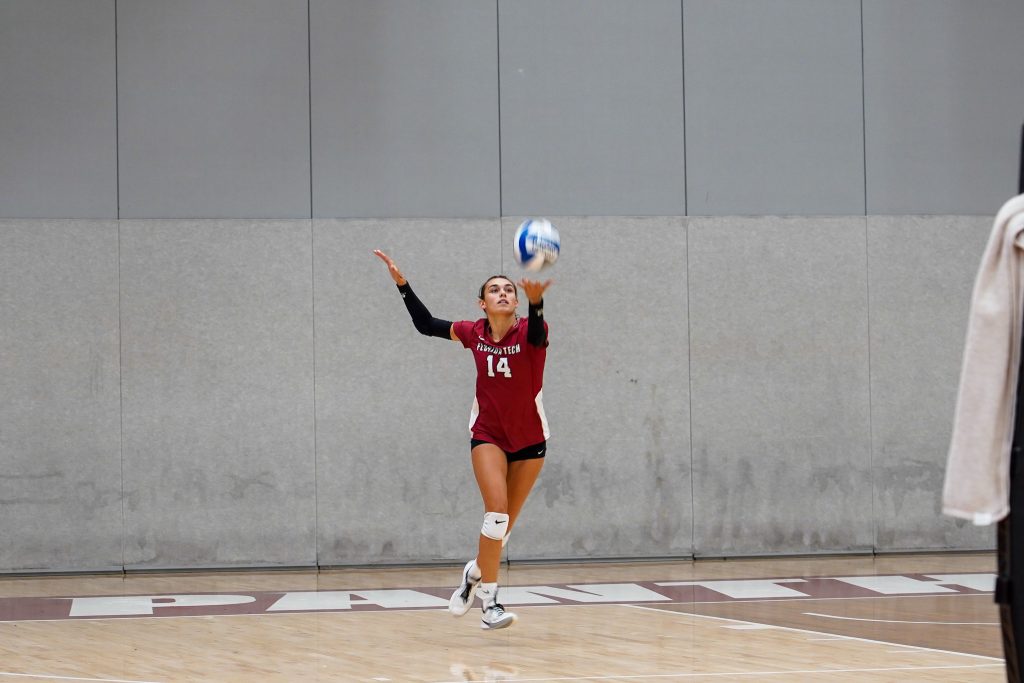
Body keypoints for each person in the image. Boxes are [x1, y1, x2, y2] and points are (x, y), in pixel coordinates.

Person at [373, 249, 552, 630]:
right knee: (496, 515)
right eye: (494, 290)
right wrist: (402, 285)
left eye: (508, 289)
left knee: (500, 535)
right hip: (488, 435)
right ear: (482, 303)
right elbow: (426, 325)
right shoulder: (473, 332)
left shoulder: (531, 332)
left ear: (517, 301)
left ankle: (472, 573)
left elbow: (537, 331)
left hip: (530, 442)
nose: (502, 293)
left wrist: (537, 305)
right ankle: (491, 605)